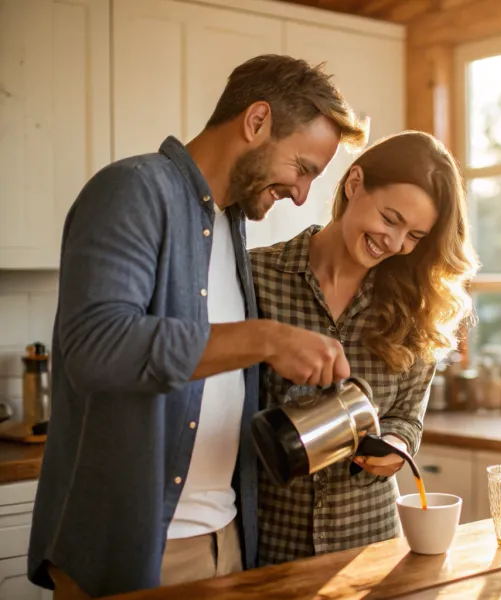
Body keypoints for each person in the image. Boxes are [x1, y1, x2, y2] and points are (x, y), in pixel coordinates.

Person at [27, 55, 368, 599]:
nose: (302, 195)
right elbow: (96, 347)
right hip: (138, 547)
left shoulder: (228, 224)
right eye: (302, 168)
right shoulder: (133, 190)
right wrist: (265, 338)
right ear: (256, 122)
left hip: (223, 540)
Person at [250, 131, 479, 565]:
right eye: (390, 219)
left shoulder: (415, 305)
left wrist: (395, 444)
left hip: (369, 542)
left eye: (414, 235)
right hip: (269, 539)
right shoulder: (258, 275)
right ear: (355, 183)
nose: (394, 244)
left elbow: (408, 416)